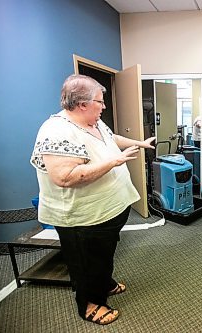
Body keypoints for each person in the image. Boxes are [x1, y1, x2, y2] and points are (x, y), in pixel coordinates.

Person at [30, 74, 155, 325]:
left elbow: (112, 138)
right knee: (86, 261)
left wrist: (139, 143)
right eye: (100, 101)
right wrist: (115, 161)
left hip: (107, 211)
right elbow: (64, 177)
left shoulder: (93, 122)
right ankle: (90, 304)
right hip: (82, 217)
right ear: (82, 104)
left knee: (102, 254)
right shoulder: (56, 131)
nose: (104, 106)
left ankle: (103, 282)